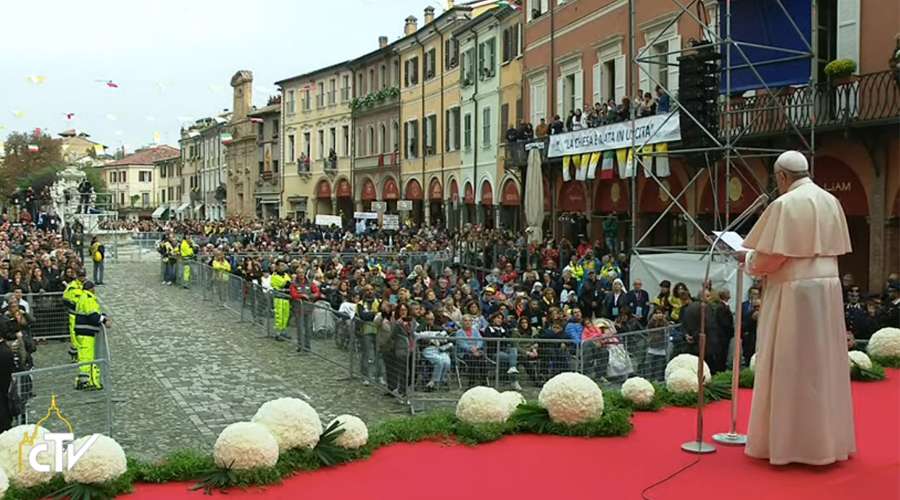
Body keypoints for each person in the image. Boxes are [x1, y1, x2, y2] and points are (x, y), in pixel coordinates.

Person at [738, 150, 854, 465]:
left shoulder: (784, 204)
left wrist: (747, 258)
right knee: (822, 365)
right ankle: (826, 444)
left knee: (790, 365)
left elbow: (770, 258)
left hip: (794, 295)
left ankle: (788, 445)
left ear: (782, 176)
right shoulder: (832, 201)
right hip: (827, 292)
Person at [73, 281, 108, 390]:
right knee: (87, 358)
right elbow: (93, 316)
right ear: (91, 289)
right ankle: (87, 381)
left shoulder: (82, 297)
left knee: (83, 356)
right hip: (86, 333)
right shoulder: (88, 298)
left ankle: (82, 379)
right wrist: (105, 320)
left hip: (81, 332)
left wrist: (102, 316)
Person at [62, 269, 85, 363]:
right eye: (81, 276)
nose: (82, 278)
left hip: (82, 314)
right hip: (74, 315)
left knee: (82, 336)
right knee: (74, 337)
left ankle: (81, 355)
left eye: (83, 276)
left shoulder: (84, 285)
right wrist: (74, 306)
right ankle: (74, 355)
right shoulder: (72, 286)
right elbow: (65, 299)